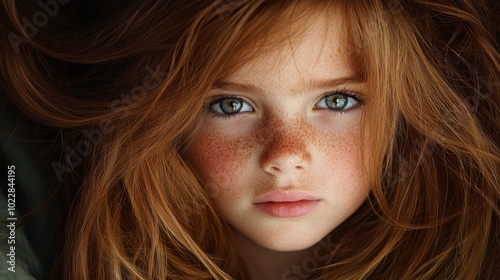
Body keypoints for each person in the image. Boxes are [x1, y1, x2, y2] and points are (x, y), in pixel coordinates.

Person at [0, 0, 498, 279]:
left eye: (339, 101)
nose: (286, 156)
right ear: (163, 121)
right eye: (230, 105)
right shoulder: (33, 226)